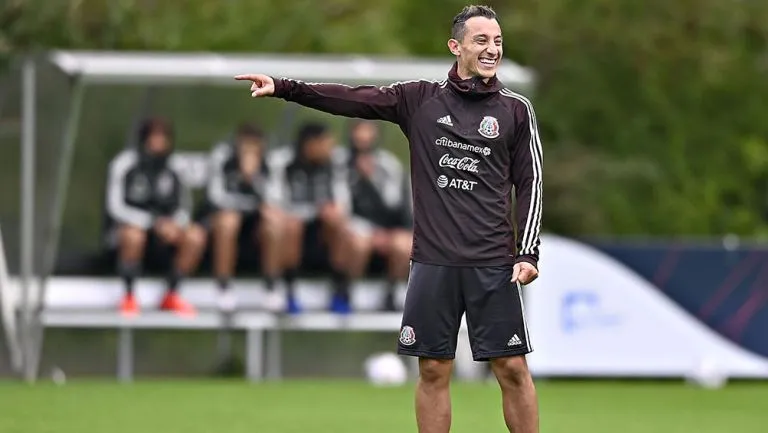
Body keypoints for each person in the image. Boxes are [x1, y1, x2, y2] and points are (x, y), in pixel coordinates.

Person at [235, 5, 543, 432]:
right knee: (433, 370)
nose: (492, 49)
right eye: (482, 40)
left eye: (497, 41)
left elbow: (530, 183)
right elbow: (352, 98)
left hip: (493, 261)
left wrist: (528, 251)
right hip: (433, 261)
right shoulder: (419, 99)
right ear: (456, 47)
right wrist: (286, 87)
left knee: (511, 367)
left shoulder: (515, 110)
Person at [105, 117, 205, 317]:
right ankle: (129, 295)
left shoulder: (175, 167)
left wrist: (175, 225)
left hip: (166, 237)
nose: (158, 143)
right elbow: (115, 207)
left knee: (196, 235)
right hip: (132, 234)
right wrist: (151, 223)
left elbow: (184, 207)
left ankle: (172, 293)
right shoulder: (125, 164)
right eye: (154, 137)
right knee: (133, 235)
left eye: (163, 137)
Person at [267, 122, 363, 314]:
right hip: (292, 230)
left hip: (322, 233)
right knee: (289, 225)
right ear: (310, 144)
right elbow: (274, 204)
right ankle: (287, 290)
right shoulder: (282, 162)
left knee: (340, 223)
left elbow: (343, 204)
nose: (331, 148)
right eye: (326, 143)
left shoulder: (336, 163)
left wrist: (330, 210)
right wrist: (309, 211)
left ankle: (340, 289)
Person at [193, 123, 285, 312]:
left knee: (275, 221)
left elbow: (276, 197)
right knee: (229, 220)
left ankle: (271, 285)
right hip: (223, 223)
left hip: (255, 225)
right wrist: (246, 201)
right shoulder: (222, 158)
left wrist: (253, 180)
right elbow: (215, 196)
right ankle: (224, 285)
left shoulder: (270, 162)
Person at [344, 119, 413, 311]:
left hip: (386, 232)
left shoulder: (387, 164)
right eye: (359, 130)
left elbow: (395, 205)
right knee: (360, 241)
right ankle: (348, 289)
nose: (363, 136)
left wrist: (372, 179)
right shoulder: (340, 163)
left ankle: (392, 293)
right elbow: (342, 207)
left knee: (404, 243)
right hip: (355, 232)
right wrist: (370, 232)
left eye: (368, 130)